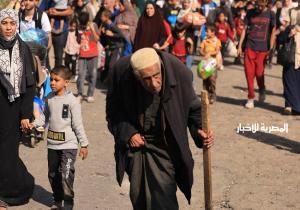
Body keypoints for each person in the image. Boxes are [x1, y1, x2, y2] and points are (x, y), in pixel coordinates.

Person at [106, 47, 214, 210]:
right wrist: (128, 132)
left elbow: (193, 110)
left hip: (165, 146)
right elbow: (113, 112)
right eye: (146, 79)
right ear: (137, 77)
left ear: (161, 68)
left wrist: (199, 131)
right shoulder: (121, 73)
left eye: (156, 76)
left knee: (164, 199)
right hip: (137, 149)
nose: (154, 83)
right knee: (138, 197)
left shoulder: (179, 73)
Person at [31, 66, 89, 210]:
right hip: (52, 144)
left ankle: (68, 203)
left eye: (56, 80)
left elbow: (77, 124)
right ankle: (57, 200)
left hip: (69, 145)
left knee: (66, 174)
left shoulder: (72, 101)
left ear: (66, 82)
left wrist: (84, 144)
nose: (52, 83)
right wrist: (32, 124)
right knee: (52, 174)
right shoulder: (49, 98)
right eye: (51, 79)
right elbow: (44, 117)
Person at [0, 9, 36, 210]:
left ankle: (6, 194)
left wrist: (26, 114)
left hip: (13, 108)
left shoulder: (23, 49)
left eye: (11, 23)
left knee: (8, 152)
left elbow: (30, 85)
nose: (8, 27)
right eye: (4, 22)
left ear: (17, 25)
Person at [237, 0, 276, 109]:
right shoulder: (250, 13)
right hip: (250, 47)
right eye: (257, 5)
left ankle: (262, 88)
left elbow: (273, 31)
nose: (259, 7)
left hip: (263, 48)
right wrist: (240, 46)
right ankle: (250, 98)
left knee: (259, 73)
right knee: (249, 74)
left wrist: (271, 48)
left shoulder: (271, 14)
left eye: (261, 5)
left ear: (266, 3)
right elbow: (244, 29)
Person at [281, 1, 300, 114]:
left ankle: (297, 106)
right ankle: (288, 104)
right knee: (288, 76)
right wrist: (289, 31)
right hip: (291, 45)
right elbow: (286, 25)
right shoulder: (291, 11)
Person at [77, 12, 100, 103]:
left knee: (93, 75)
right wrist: (79, 34)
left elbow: (97, 39)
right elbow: (78, 41)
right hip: (82, 54)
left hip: (93, 54)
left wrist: (92, 29)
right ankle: (80, 94)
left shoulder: (94, 25)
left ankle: (90, 94)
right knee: (80, 75)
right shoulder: (79, 26)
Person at [45, 0, 73, 67]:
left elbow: (70, 11)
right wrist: (49, 12)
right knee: (45, 54)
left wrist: (57, 13)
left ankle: (57, 74)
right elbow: (41, 11)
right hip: (48, 31)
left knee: (59, 56)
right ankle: (47, 74)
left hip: (61, 33)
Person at [100, 9, 125, 82]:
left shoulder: (113, 26)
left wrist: (112, 34)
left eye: (102, 16)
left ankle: (114, 82)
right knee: (109, 65)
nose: (101, 18)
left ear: (107, 17)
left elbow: (121, 35)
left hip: (118, 47)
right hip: (112, 47)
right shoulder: (106, 25)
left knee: (112, 66)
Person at [200, 25, 222, 104]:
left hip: (213, 63)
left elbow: (217, 51)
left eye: (207, 31)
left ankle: (212, 94)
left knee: (212, 79)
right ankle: (206, 96)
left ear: (213, 33)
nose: (206, 33)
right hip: (205, 63)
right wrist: (204, 53)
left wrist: (209, 53)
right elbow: (201, 50)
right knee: (205, 79)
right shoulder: (204, 40)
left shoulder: (217, 41)